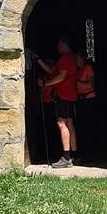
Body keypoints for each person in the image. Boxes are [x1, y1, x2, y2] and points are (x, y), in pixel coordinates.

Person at [35, 37, 79, 166]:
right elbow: (51, 71)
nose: (57, 47)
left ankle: (66, 158)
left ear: (66, 44)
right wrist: (38, 60)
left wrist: (44, 84)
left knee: (61, 123)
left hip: (64, 94)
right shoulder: (69, 58)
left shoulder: (65, 58)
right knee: (69, 124)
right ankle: (74, 155)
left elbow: (60, 77)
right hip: (71, 94)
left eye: (60, 44)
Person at [75, 52, 96, 164]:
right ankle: (84, 155)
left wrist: (75, 82)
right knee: (82, 127)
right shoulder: (78, 70)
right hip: (81, 100)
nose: (75, 59)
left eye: (77, 57)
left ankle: (90, 155)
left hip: (89, 100)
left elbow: (89, 85)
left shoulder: (87, 68)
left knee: (88, 127)